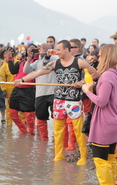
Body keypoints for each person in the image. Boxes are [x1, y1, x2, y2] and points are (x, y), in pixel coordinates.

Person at [13, 40, 100, 165]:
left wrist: (82, 83)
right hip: (58, 100)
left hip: (74, 101)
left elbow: (95, 74)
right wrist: (21, 79)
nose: (56, 52)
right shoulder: (55, 63)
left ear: (66, 49)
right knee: (58, 129)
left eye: (59, 49)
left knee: (78, 129)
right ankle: (58, 155)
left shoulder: (79, 62)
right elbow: (37, 72)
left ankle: (83, 157)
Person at [82, 44, 117, 184]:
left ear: (106, 57)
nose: (99, 57)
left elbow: (101, 102)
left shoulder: (108, 75)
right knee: (110, 160)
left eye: (101, 55)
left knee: (101, 162)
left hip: (104, 125)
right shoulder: (114, 74)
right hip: (112, 123)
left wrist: (86, 91)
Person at [23, 43, 58, 140]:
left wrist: (47, 53)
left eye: (42, 48)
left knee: (56, 116)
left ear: (49, 49)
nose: (39, 50)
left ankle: (57, 138)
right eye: (39, 49)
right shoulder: (37, 62)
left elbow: (46, 62)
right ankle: (44, 140)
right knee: (41, 117)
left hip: (53, 92)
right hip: (40, 93)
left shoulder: (54, 59)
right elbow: (26, 71)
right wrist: (29, 59)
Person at [8, 44, 38, 135]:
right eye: (29, 49)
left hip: (29, 90)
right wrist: (9, 57)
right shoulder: (21, 61)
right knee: (12, 113)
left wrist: (35, 56)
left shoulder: (37, 62)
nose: (30, 51)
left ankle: (31, 133)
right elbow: (13, 71)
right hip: (17, 88)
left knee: (29, 115)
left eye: (33, 50)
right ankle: (23, 130)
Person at [0, 47, 17, 126]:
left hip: (21, 88)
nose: (7, 55)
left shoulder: (18, 63)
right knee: (9, 110)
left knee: (23, 110)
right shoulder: (3, 67)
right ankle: (9, 128)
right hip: (10, 90)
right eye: (5, 53)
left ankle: (24, 128)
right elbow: (2, 79)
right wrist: (3, 90)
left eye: (9, 52)